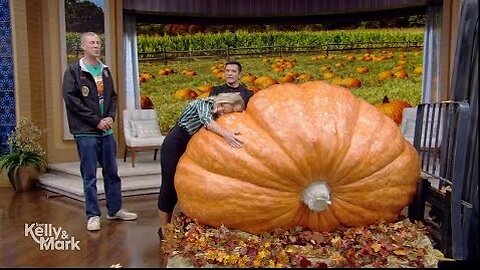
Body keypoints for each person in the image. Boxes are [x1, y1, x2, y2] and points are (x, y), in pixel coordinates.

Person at [62, 32, 137, 232]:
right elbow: (72, 101)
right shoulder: (73, 71)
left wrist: (110, 117)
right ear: (83, 46)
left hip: (106, 132)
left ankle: (115, 210)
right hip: (86, 131)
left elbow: (112, 97)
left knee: (112, 172)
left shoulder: (105, 71)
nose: (96, 46)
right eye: (92, 43)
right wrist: (96, 121)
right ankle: (93, 215)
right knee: (89, 175)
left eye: (98, 43)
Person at [157, 93, 245, 241]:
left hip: (190, 147)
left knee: (186, 186)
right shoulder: (203, 103)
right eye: (225, 109)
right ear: (224, 102)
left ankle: (178, 226)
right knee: (169, 187)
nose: (223, 113)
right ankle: (164, 230)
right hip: (175, 144)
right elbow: (206, 121)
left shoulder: (216, 113)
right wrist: (226, 134)